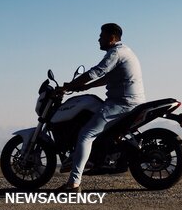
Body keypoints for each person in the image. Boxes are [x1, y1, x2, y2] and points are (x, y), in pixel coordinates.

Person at [57, 23, 145, 191]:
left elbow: (95, 72)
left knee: (85, 134)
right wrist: (85, 86)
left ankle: (73, 184)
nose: (99, 39)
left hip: (123, 103)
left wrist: (67, 87)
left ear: (112, 37)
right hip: (128, 101)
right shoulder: (126, 51)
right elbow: (109, 77)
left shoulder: (116, 53)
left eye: (101, 35)